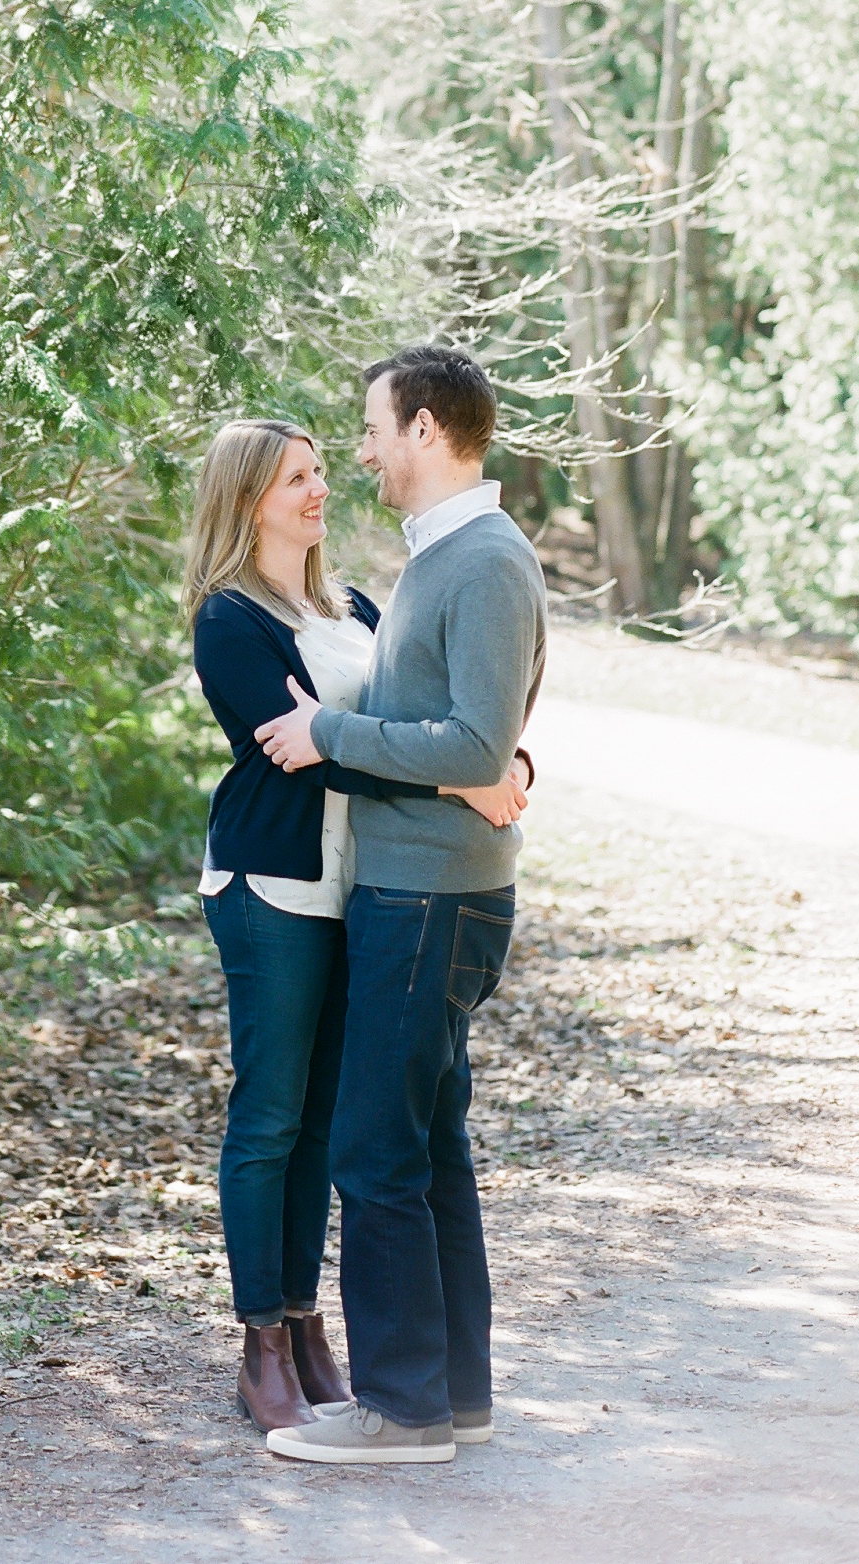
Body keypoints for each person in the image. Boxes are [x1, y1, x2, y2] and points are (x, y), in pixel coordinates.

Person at [185, 417, 531, 1434]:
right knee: (270, 1119)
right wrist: (460, 781)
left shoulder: (358, 607)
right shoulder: (228, 619)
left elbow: (420, 722)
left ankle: (307, 1324)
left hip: (364, 890)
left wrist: (495, 766)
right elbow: (303, 751)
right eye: (295, 478)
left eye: (321, 470)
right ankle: (262, 1345)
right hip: (273, 887)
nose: (319, 488)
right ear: (248, 496)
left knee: (329, 1122)